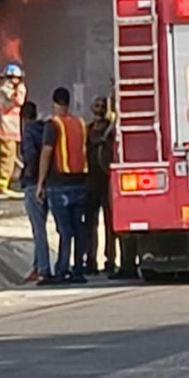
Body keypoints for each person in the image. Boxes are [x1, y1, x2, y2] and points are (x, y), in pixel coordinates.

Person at [36, 87, 88, 284]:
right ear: (68, 103)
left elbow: (47, 153)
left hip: (59, 185)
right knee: (79, 229)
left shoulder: (53, 125)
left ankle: (62, 269)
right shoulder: (80, 124)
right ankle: (79, 269)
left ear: (54, 103)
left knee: (65, 231)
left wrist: (40, 183)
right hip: (80, 183)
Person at [85, 96, 116, 275]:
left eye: (103, 106)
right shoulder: (87, 131)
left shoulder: (111, 132)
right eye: (97, 105)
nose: (99, 109)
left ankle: (110, 260)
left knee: (110, 225)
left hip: (107, 182)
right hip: (90, 183)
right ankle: (91, 260)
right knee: (90, 226)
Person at [20, 101, 50, 282]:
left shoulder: (29, 133)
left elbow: (30, 155)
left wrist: (29, 173)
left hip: (33, 185)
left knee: (38, 229)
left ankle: (43, 268)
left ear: (22, 117)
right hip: (49, 183)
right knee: (42, 227)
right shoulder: (44, 129)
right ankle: (37, 265)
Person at [0, 63, 26, 194]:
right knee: (6, 161)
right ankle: (2, 187)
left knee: (1, 162)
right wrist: (19, 89)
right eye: (18, 79)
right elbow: (18, 101)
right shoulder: (6, 92)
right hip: (6, 133)